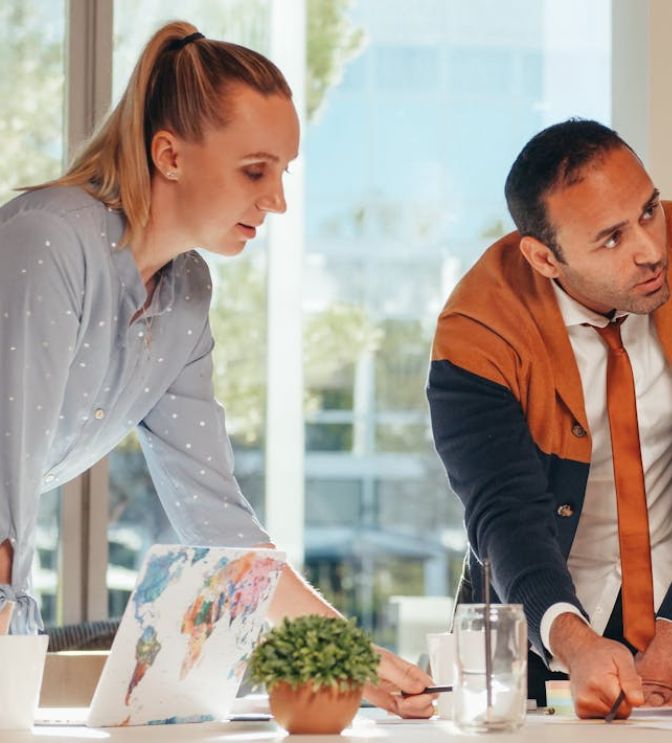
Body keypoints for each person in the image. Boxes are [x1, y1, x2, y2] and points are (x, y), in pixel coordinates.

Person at [0, 21, 435, 717]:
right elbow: (3, 466)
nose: (277, 200)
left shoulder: (185, 293)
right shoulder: (49, 239)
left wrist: (347, 652)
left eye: (283, 173)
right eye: (254, 170)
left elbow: (215, 517)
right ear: (168, 153)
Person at [427, 119, 672, 719]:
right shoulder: (476, 329)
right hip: (539, 617)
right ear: (544, 257)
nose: (650, 248)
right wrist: (572, 638)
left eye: (649, 211)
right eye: (611, 238)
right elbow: (504, 512)